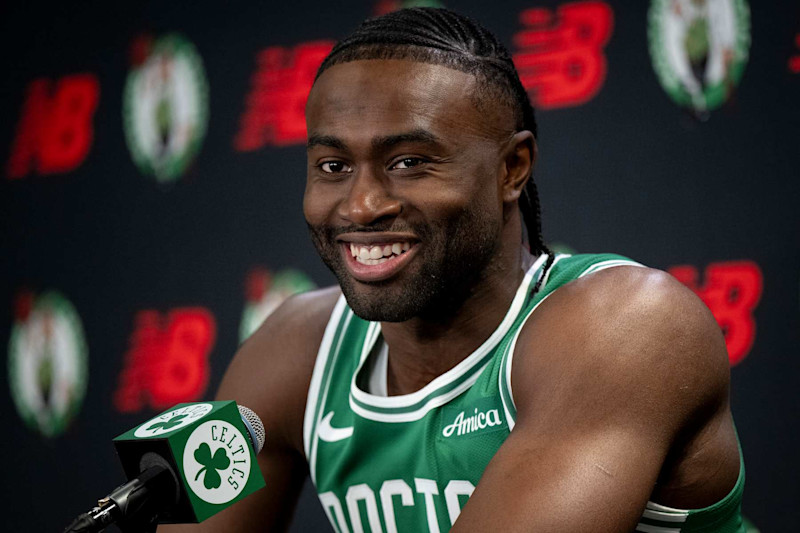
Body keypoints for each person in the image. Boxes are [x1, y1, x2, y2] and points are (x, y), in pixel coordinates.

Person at [163, 7, 744, 532]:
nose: (362, 205)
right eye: (334, 165)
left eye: (410, 162)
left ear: (512, 168)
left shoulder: (628, 325)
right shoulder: (292, 349)